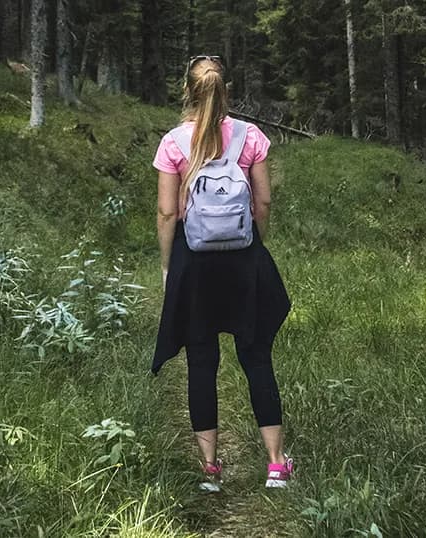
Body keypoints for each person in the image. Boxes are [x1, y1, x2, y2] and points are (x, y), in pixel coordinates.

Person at [151, 55, 293, 491]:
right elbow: (264, 202)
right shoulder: (250, 137)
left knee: (201, 362)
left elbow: (166, 212)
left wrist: (167, 265)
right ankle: (274, 465)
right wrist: (255, 240)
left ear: (187, 92)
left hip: (196, 263)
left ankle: (210, 470)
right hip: (242, 258)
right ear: (225, 89)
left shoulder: (174, 142)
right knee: (256, 357)